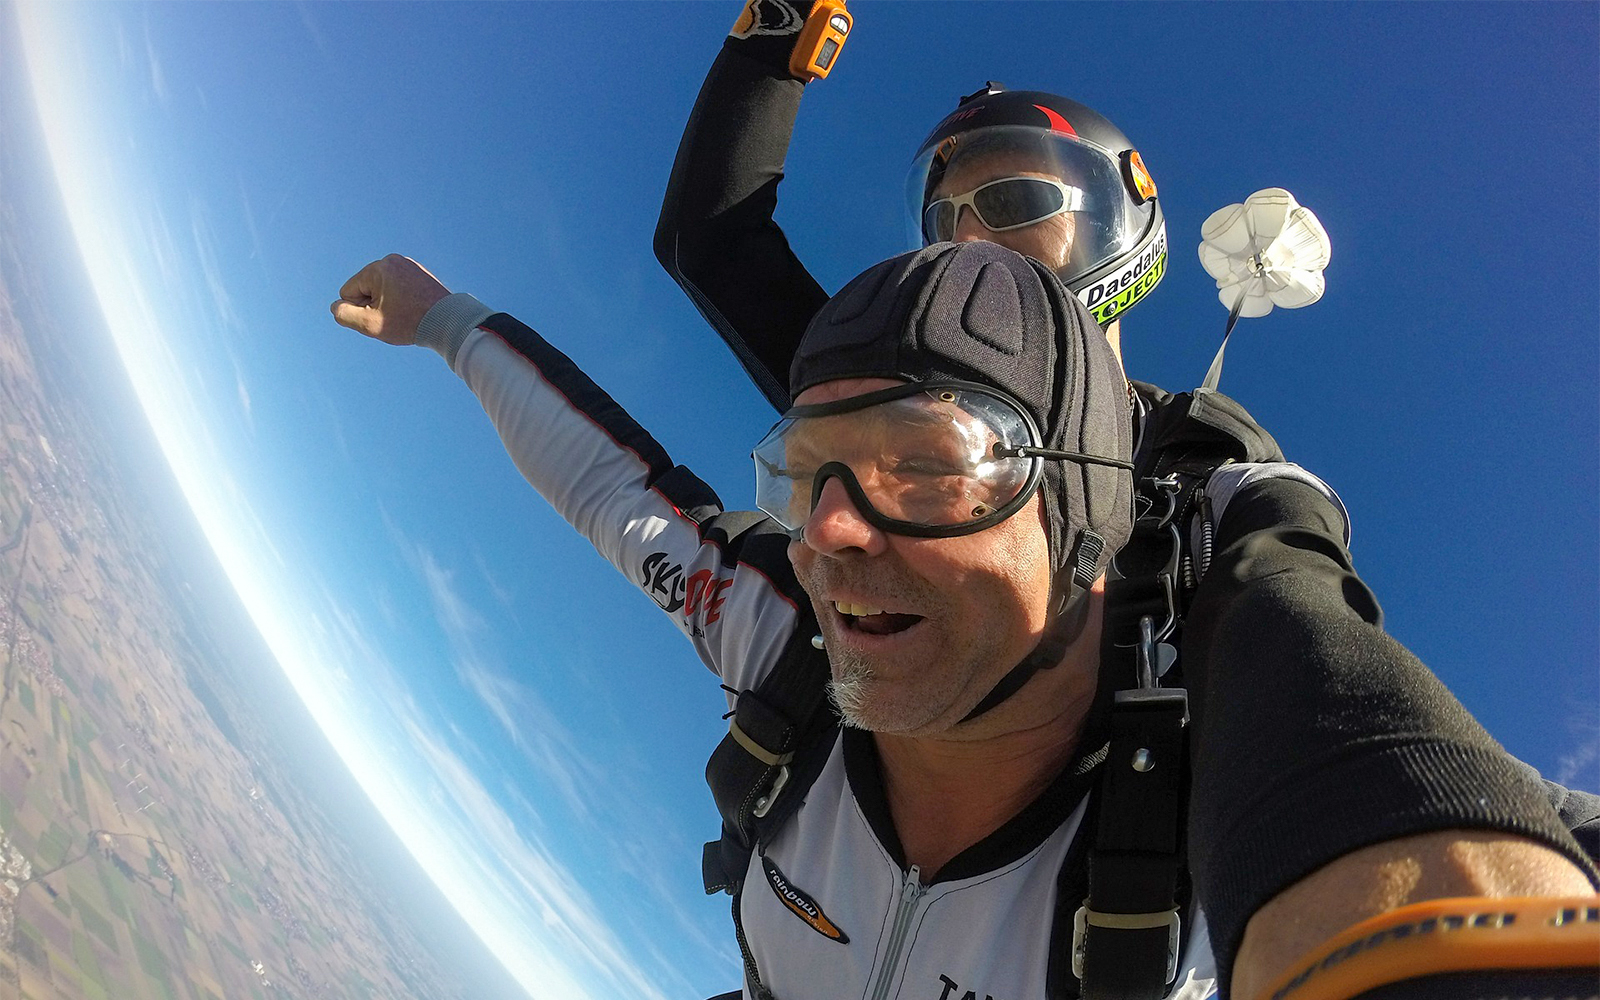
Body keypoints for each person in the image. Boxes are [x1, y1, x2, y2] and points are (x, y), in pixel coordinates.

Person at [331, 243, 1597, 1000]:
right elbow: (621, 494)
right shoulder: (780, 643)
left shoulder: (1200, 825)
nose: (830, 530)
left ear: (1084, 524)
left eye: (929, 467)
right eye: (807, 471)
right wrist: (447, 319)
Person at [653, 6, 1600, 995]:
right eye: (947, 217)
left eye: (1014, 199)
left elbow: (1294, 633)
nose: (973, 233)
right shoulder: (883, 400)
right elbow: (710, 247)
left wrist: (1418, 892)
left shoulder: (1203, 471)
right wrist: (777, 34)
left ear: (1118, 224)